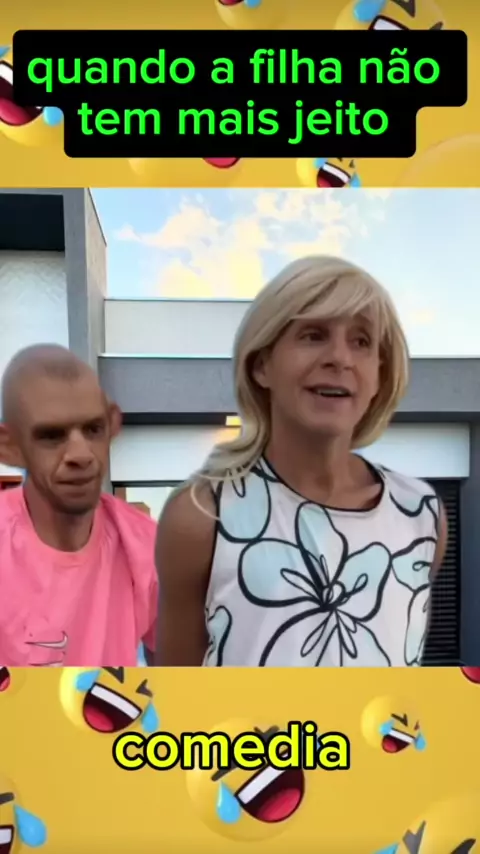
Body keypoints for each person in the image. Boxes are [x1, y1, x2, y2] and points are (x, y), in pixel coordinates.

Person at [155, 256, 447, 667]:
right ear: (262, 365)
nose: (340, 358)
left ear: (380, 374)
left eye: (361, 341)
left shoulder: (422, 514)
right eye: (313, 335)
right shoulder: (202, 516)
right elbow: (177, 693)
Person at [0, 344, 157, 667]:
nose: (81, 454)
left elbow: (177, 677)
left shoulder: (148, 547)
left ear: (112, 425)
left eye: (93, 429)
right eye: (51, 436)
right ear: (10, 447)